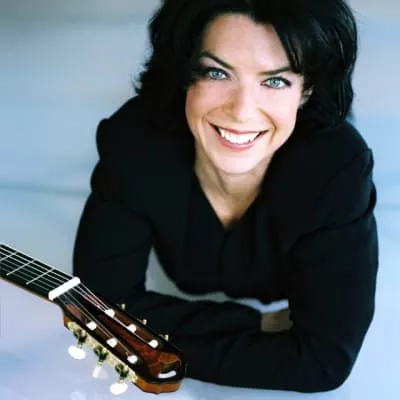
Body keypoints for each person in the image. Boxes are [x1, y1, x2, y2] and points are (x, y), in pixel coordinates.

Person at [73, 0, 378, 393]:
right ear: (184, 74)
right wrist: (256, 324)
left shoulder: (338, 169)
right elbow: (99, 307)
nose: (241, 111)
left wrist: (148, 340)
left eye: (275, 81)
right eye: (216, 72)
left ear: (307, 90)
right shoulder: (135, 144)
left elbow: (324, 363)